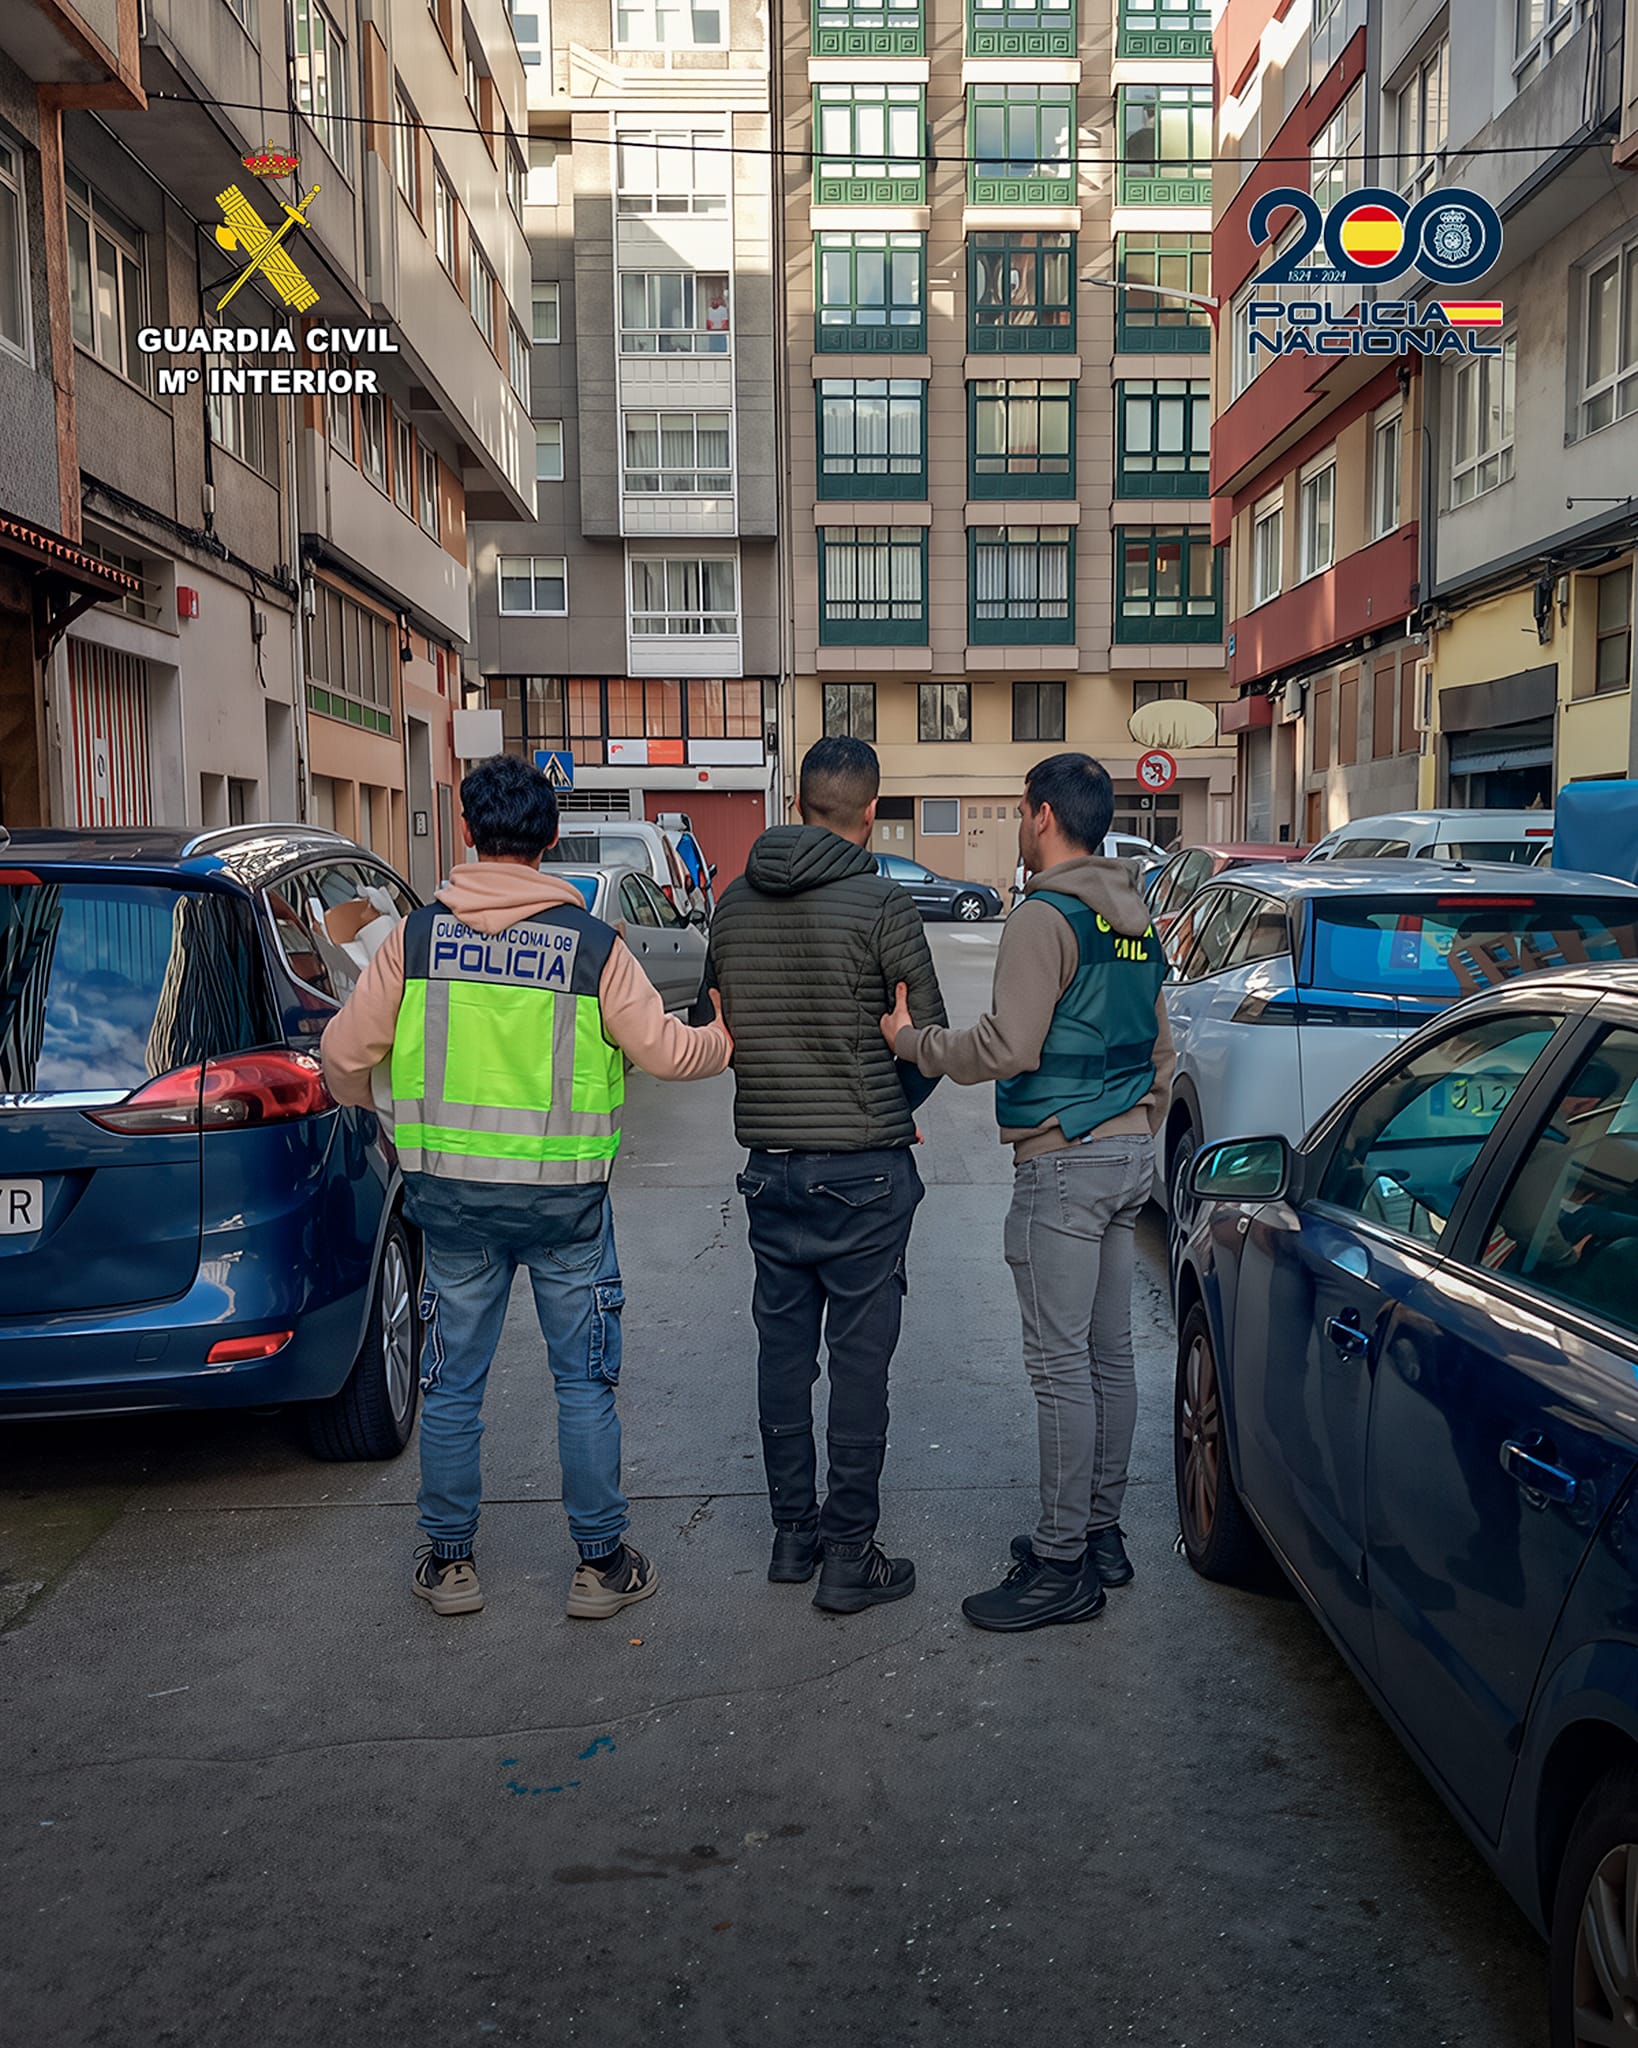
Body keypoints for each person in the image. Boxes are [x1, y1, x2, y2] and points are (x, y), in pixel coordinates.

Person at [321, 754, 732, 1622]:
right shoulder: (593, 947)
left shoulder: (416, 941)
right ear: (550, 840)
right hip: (566, 1211)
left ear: (468, 833)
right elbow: (665, 1052)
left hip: (453, 1209)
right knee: (583, 1385)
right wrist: (721, 1042)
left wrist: (396, 1116)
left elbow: (342, 1061)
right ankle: (599, 1567)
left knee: (453, 1386)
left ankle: (451, 1566)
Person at [881, 753, 1173, 1634]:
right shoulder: (1135, 920)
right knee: (1108, 1359)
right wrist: (1141, 1120)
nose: (1018, 824)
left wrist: (913, 1041)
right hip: (1126, 1161)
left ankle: (1059, 1563)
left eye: (1019, 811)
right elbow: (1163, 1045)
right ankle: (1101, 1533)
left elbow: (1008, 1046)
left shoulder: (1047, 915)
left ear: (1041, 815)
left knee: (1059, 1370)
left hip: (1066, 1165)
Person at [707, 737, 947, 1613]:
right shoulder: (885, 905)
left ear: (799, 802)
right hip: (866, 1172)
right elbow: (925, 1040)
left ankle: (791, 1535)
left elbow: (718, 1022)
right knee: (858, 1363)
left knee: (781, 1352)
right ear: (869, 814)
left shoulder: (732, 905)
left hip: (769, 1168)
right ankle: (849, 1553)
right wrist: (889, 1098)